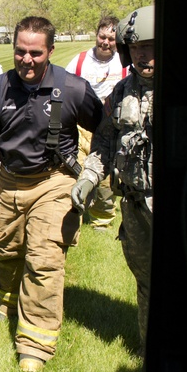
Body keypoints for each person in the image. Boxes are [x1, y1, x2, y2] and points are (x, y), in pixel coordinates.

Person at [0, 16, 103, 372]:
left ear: (50, 52)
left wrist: (93, 174)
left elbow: (103, 130)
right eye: (20, 51)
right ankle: (6, 302)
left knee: (44, 260)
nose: (26, 60)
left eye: (35, 52)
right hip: (10, 181)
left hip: (55, 181)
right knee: (6, 250)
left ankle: (36, 342)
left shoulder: (73, 89)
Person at [71, 5, 155, 354]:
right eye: (136, 48)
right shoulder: (121, 92)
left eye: (150, 46)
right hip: (134, 206)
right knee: (145, 281)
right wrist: (88, 177)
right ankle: (151, 349)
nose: (143, 55)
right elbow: (104, 144)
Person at [64, 15, 128, 230]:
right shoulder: (80, 60)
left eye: (111, 38)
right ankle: (74, 211)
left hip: (112, 125)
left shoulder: (124, 62)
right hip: (82, 125)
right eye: (102, 37)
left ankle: (102, 218)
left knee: (106, 174)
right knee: (75, 169)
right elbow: (65, 87)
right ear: (96, 35)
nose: (106, 42)